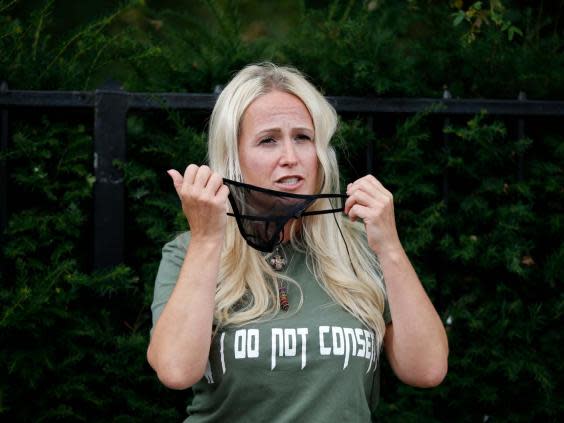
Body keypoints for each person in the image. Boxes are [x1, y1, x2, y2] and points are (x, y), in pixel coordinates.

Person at [147, 63, 449, 422]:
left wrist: (390, 248)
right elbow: (175, 370)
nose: (290, 157)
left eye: (303, 138)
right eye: (268, 139)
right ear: (234, 158)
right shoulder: (191, 251)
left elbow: (427, 369)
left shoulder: (360, 246)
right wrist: (208, 239)